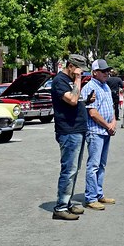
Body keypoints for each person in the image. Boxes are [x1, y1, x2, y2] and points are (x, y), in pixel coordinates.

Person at [50, 54, 91, 221]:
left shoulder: (69, 81)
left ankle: (67, 203)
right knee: (69, 170)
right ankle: (60, 207)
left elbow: (76, 100)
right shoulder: (59, 81)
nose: (81, 73)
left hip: (77, 129)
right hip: (68, 131)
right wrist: (78, 79)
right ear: (71, 66)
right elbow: (72, 100)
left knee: (74, 169)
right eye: (79, 70)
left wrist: (86, 100)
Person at [80, 59, 117, 210]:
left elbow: (111, 107)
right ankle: (91, 197)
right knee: (94, 165)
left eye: (107, 70)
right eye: (103, 71)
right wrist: (108, 126)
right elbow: (93, 113)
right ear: (95, 72)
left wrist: (113, 121)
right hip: (95, 131)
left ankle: (98, 193)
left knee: (101, 165)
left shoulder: (105, 86)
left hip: (106, 130)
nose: (107, 73)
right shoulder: (89, 87)